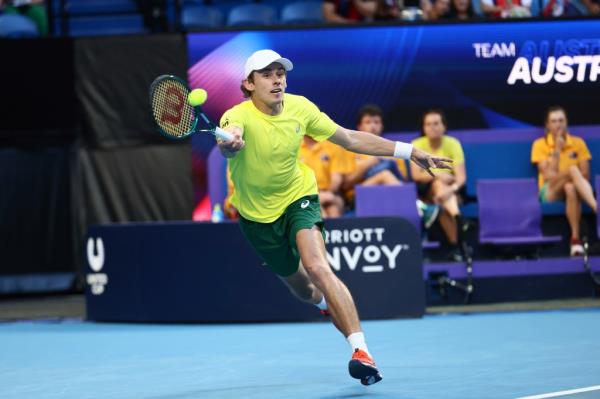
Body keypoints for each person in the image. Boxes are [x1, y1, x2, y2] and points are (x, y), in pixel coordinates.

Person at [218, 49, 452, 385]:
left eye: (280, 72)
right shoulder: (234, 117)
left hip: (298, 196)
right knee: (304, 289)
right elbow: (229, 140)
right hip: (256, 218)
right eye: (267, 74)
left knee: (317, 266)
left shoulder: (301, 108)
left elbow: (350, 138)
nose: (277, 79)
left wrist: (408, 150)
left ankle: (361, 351)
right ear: (249, 84)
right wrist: (232, 144)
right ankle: (323, 302)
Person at [343, 104, 439, 228]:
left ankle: (416, 210)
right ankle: (418, 207)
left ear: (382, 125)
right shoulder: (349, 151)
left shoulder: (392, 150)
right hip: (359, 197)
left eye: (376, 122)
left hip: (390, 196)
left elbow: (402, 180)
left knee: (387, 167)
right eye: (368, 122)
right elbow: (346, 184)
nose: (372, 126)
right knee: (384, 174)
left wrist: (382, 161)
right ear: (360, 126)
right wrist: (369, 163)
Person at [531, 106, 597, 256]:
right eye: (553, 121)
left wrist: (570, 177)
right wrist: (557, 151)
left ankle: (575, 240)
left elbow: (585, 175)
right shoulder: (539, 145)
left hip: (574, 189)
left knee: (570, 187)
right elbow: (548, 176)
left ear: (567, 122)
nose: (558, 125)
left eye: (561, 120)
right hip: (549, 192)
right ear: (547, 125)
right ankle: (596, 207)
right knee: (573, 170)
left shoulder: (578, 143)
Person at [410, 109, 466, 261]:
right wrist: (439, 174)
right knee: (438, 183)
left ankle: (455, 246)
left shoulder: (453, 143)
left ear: (444, 126)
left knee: (441, 196)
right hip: (425, 191)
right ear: (423, 128)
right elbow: (416, 176)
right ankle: (458, 217)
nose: (432, 127)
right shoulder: (416, 145)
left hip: (452, 191)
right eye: (428, 124)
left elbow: (461, 178)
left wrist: (450, 191)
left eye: (436, 123)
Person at [300, 136, 352, 218]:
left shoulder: (333, 146)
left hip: (331, 193)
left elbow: (336, 179)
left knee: (333, 208)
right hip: (303, 195)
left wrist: (328, 193)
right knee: (319, 209)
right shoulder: (294, 147)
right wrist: (317, 197)